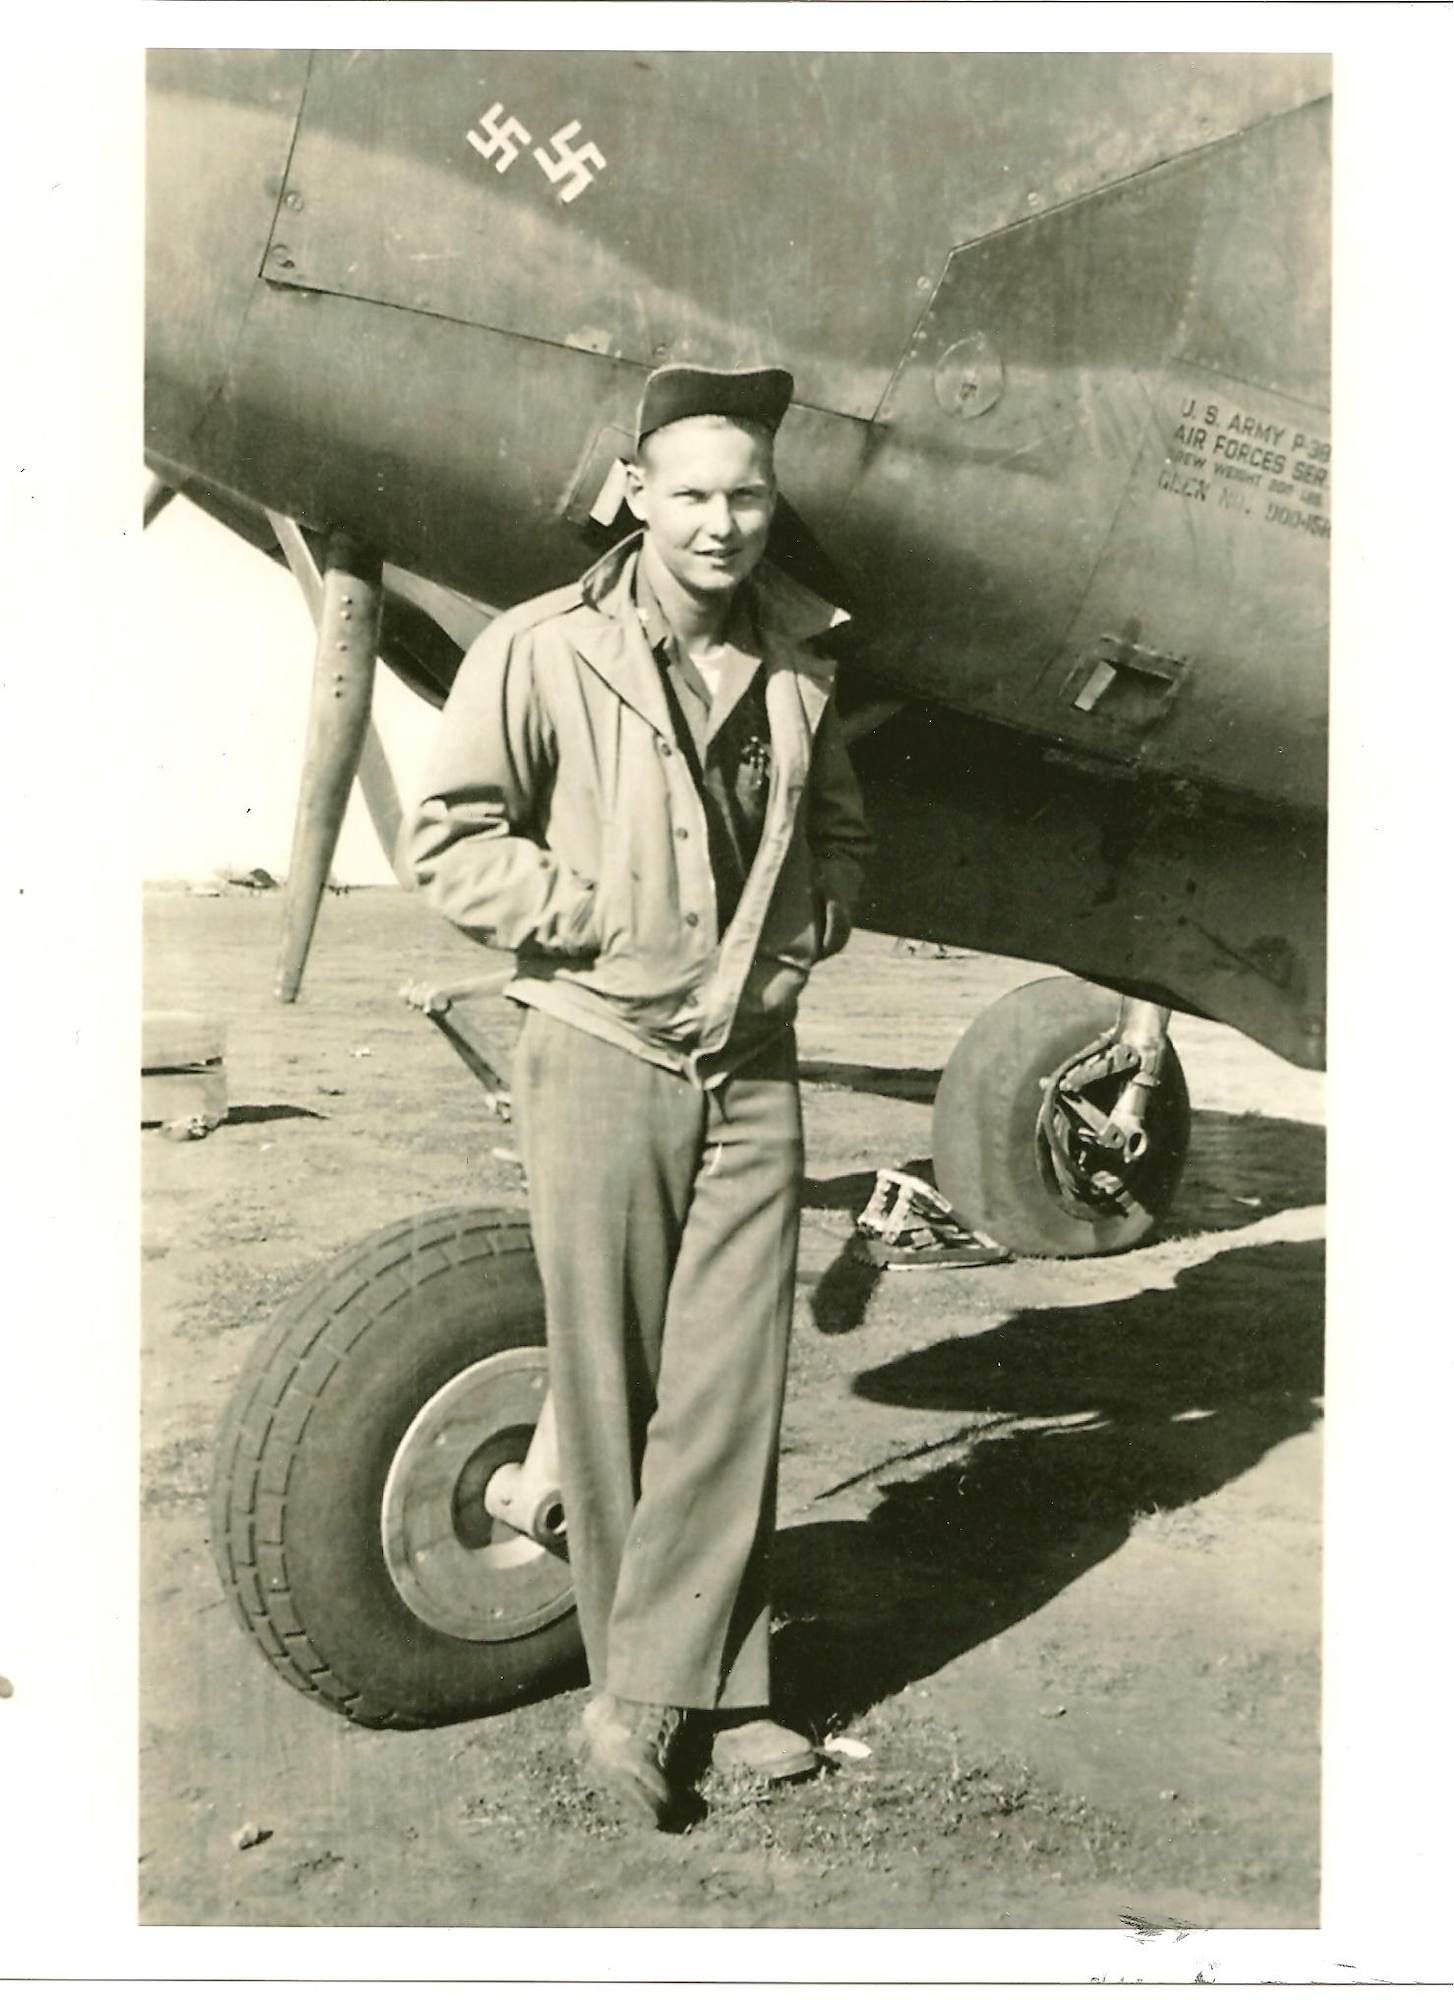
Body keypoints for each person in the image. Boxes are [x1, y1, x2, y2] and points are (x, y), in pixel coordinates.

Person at [405, 363, 873, 1828]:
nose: (721, 524)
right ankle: (640, 1697)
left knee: (733, 1393)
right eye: (690, 494)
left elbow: (838, 824)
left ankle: (719, 1692)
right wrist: (595, 920)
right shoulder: (542, 649)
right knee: (610, 1381)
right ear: (633, 493)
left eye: (745, 494)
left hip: (751, 1058)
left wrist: (810, 930)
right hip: (600, 1048)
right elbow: (447, 839)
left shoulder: (800, 655)